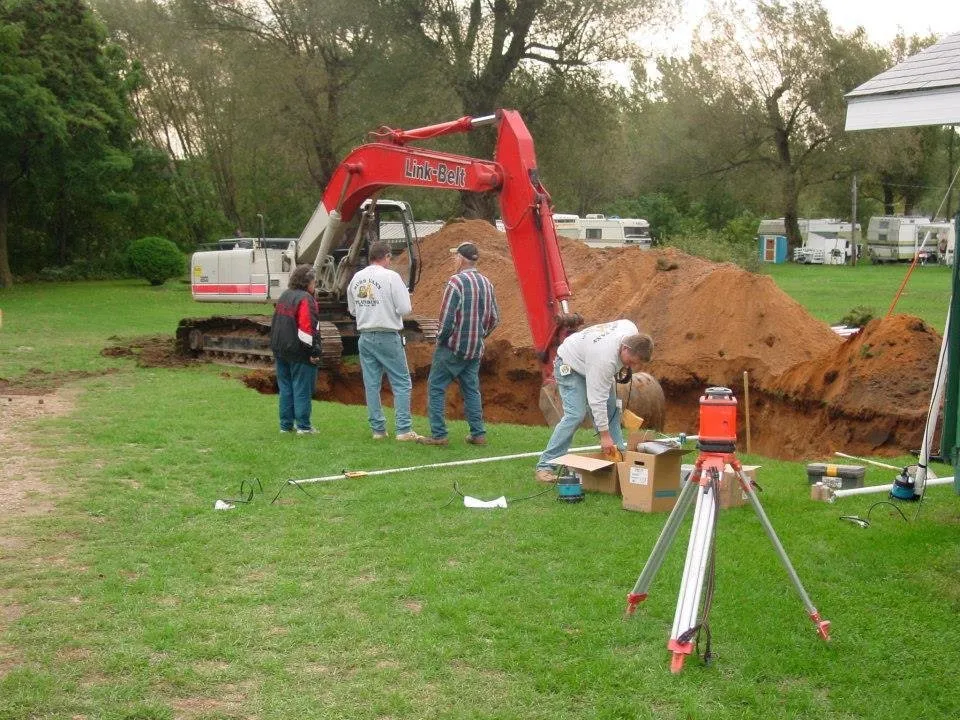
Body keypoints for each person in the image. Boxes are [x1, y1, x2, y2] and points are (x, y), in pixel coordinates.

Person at [534, 320, 654, 482]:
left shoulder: (630, 329)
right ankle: (545, 466)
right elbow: (596, 401)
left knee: (611, 408)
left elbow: (625, 322)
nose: (631, 366)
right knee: (575, 414)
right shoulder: (605, 360)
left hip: (588, 359)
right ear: (625, 348)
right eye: (631, 362)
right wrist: (604, 436)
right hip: (570, 364)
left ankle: (618, 454)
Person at [418, 241, 500, 446]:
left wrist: (440, 340)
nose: (454, 260)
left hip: (452, 347)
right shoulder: (487, 283)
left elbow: (447, 319)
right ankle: (478, 434)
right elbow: (494, 318)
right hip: (474, 349)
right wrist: (480, 335)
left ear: (461, 259)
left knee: (436, 387)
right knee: (471, 390)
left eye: (455, 256)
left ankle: (439, 435)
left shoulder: (456, 282)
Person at [347, 240, 421, 441]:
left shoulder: (357, 278)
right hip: (387, 334)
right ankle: (404, 429)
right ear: (387, 256)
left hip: (365, 335)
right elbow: (405, 309)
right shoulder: (391, 277)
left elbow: (353, 309)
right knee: (401, 382)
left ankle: (378, 429)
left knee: (371, 384)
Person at [270, 264, 321, 434]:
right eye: (314, 282)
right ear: (308, 282)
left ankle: (285, 425)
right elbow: (307, 328)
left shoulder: (285, 295)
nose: (315, 285)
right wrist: (313, 352)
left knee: (285, 389)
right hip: (298, 352)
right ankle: (304, 426)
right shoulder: (305, 299)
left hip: (280, 350)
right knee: (301, 389)